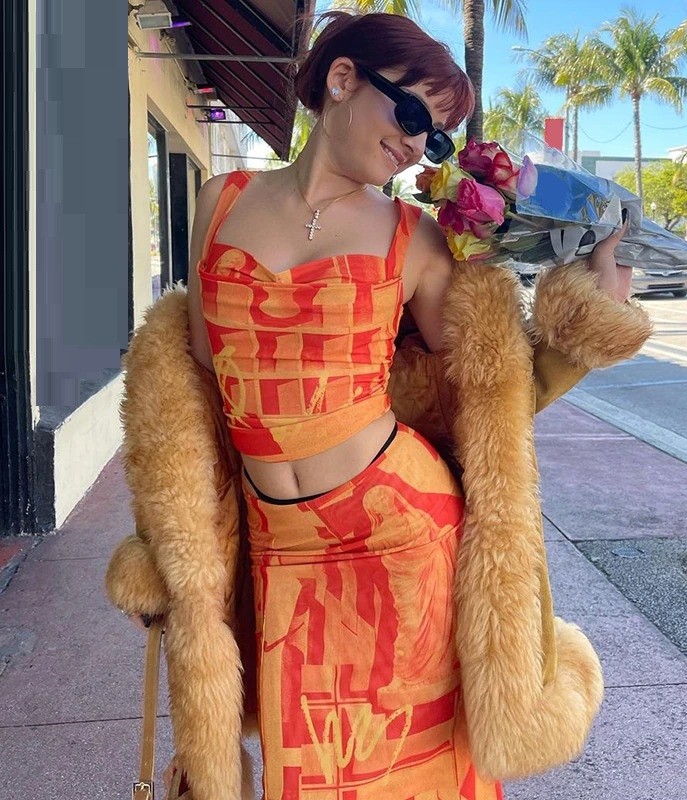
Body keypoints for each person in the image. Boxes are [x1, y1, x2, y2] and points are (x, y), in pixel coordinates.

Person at [111, 11, 647, 800]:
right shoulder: (221, 202)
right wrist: (166, 541)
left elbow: (490, 389)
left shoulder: (415, 237)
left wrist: (592, 312)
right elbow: (192, 397)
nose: (418, 145)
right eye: (413, 116)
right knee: (303, 772)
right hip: (281, 549)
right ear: (342, 79)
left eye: (435, 138)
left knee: (418, 771)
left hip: (402, 538)